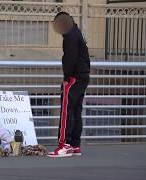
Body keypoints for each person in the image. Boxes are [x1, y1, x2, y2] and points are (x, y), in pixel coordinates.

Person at [47, 12, 90, 158]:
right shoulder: (77, 33)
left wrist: (66, 77)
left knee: (66, 111)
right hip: (83, 76)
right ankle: (74, 145)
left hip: (73, 77)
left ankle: (64, 145)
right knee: (76, 110)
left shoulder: (70, 36)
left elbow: (69, 58)